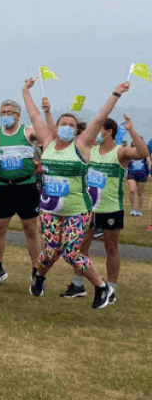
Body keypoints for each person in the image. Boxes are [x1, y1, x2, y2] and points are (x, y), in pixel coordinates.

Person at [22, 77, 124, 308]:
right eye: (63, 124)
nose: (67, 128)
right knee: (51, 251)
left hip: (78, 210)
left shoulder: (81, 146)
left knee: (70, 251)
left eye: (71, 125)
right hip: (50, 210)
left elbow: (99, 118)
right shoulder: (47, 142)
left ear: (77, 130)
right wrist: (26, 90)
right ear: (56, 127)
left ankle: (101, 288)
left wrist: (116, 94)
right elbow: (34, 115)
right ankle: (39, 276)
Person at [60, 117, 148, 302]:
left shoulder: (120, 152)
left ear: (108, 132)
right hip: (88, 208)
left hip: (111, 209)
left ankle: (111, 289)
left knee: (111, 247)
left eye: (98, 129)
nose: (95, 132)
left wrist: (131, 130)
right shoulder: (89, 151)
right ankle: (78, 285)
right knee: (81, 246)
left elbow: (142, 152)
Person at [0, 99, 44, 288]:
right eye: (4, 112)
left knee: (31, 230)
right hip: (3, 187)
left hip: (26, 186)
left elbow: (42, 136)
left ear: (18, 115)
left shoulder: (26, 131)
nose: (7, 116)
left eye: (10, 112)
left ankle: (37, 270)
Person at [125, 145, 148, 216]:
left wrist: (150, 172)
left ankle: (139, 210)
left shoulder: (145, 154)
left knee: (140, 192)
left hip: (142, 174)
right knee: (132, 190)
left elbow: (149, 162)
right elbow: (125, 163)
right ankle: (132, 209)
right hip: (131, 174)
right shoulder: (129, 154)